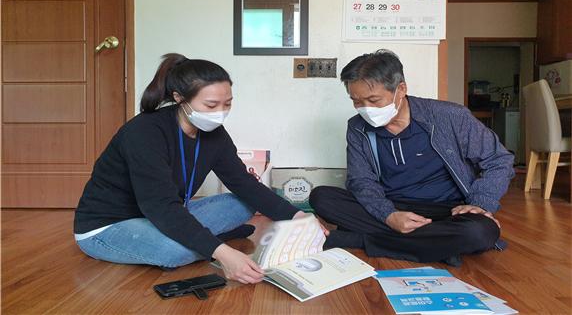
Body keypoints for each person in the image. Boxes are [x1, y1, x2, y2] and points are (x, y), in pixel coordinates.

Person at [74, 53, 326, 284]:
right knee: (173, 251)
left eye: (227, 104)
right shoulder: (144, 132)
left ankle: (202, 239)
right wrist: (223, 254)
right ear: (179, 98)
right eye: (211, 105)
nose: (221, 113)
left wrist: (299, 217)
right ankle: (208, 240)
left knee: (242, 202)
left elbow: (244, 183)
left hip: (165, 214)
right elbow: (160, 206)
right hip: (110, 225)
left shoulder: (213, 133)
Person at [310, 50, 514, 266]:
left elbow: (498, 160)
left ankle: (361, 239)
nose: (365, 109)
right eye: (357, 101)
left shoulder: (450, 116)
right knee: (322, 197)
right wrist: (389, 215)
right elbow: (361, 181)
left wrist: (480, 204)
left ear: (401, 89)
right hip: (392, 205)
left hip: (448, 209)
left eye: (373, 100)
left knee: (480, 232)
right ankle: (438, 246)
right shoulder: (357, 127)